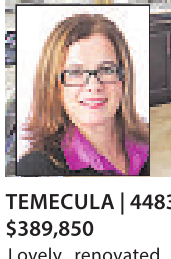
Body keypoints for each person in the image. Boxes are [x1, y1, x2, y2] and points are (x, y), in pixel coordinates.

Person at [17, 13, 149, 176]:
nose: (94, 86)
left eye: (106, 70)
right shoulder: (33, 171)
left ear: (124, 78)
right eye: (75, 72)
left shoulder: (149, 143)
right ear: (54, 85)